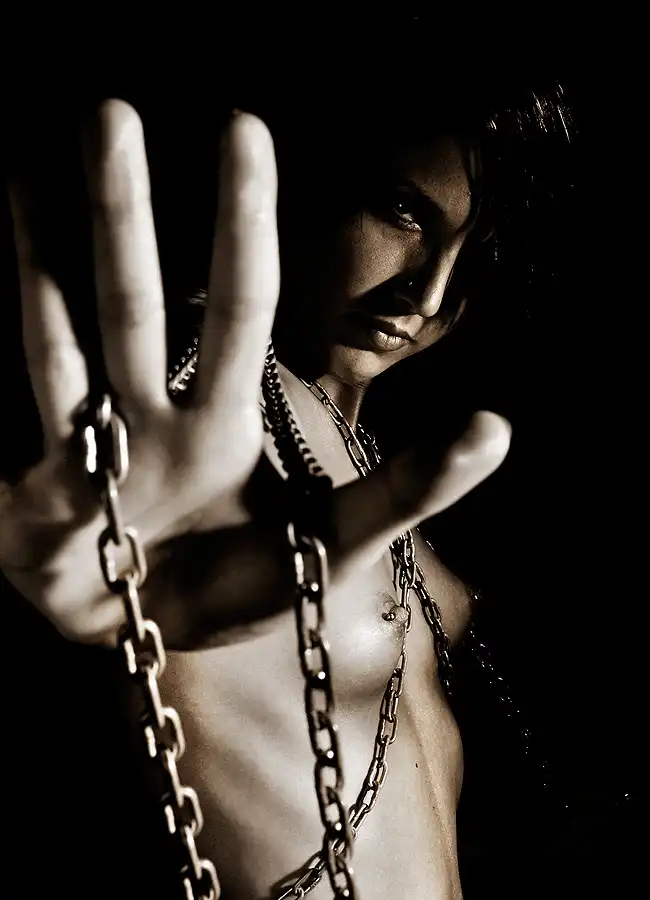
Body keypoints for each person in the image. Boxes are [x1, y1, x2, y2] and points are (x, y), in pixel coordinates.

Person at [0, 44, 574, 900]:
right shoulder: (190, 403)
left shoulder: (382, 465)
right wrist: (74, 567)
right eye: (402, 212)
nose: (426, 296)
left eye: (474, 249)